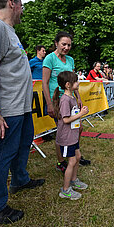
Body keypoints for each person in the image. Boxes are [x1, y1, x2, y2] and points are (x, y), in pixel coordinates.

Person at [0, 0, 45, 224]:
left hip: (21, 107)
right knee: (3, 154)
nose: (23, 10)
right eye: (21, 5)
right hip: (7, 109)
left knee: (23, 144)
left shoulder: (8, 30)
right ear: (12, 3)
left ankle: (20, 179)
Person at [42, 31, 89, 172]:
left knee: (78, 127)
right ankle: (61, 162)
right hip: (57, 100)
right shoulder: (49, 59)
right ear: (56, 43)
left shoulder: (70, 60)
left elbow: (73, 80)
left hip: (71, 99)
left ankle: (75, 155)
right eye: (64, 44)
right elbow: (44, 83)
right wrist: (49, 104)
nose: (66, 47)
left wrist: (78, 97)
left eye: (69, 45)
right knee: (63, 131)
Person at [52, 71, 89, 200]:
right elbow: (66, 119)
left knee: (77, 156)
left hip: (73, 135)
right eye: (76, 81)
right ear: (68, 85)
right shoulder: (65, 100)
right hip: (67, 138)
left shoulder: (72, 97)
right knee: (72, 161)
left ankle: (73, 180)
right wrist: (81, 114)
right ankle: (65, 190)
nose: (78, 83)